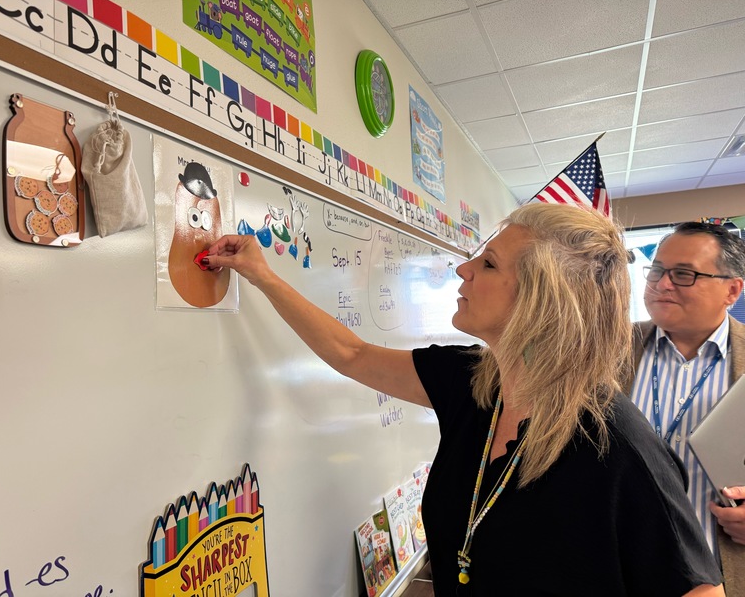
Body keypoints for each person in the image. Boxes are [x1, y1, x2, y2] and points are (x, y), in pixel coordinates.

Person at [203, 203, 723, 596]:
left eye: (489, 264)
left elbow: (698, 587)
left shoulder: (619, 449)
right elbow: (352, 353)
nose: (462, 270)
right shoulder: (471, 383)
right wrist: (264, 275)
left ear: (542, 298)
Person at [624, 221, 745, 595]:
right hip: (617, 570)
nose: (662, 284)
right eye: (657, 270)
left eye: (683, 274)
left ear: (732, 289)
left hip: (716, 578)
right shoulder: (607, 349)